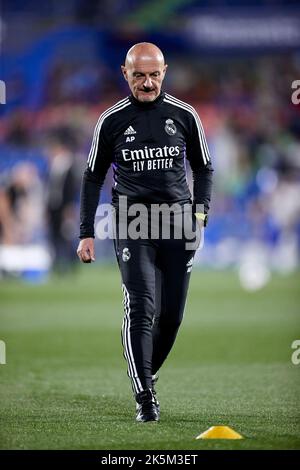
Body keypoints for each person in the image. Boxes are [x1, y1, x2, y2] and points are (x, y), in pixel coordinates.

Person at [77, 43, 213, 422]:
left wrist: (200, 216)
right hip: (132, 222)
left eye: (154, 75)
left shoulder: (185, 115)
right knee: (141, 308)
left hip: (178, 224)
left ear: (164, 72)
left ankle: (145, 373)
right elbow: (92, 177)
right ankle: (145, 397)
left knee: (171, 318)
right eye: (139, 75)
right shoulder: (111, 120)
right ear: (125, 73)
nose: (148, 82)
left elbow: (204, 168)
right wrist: (86, 232)